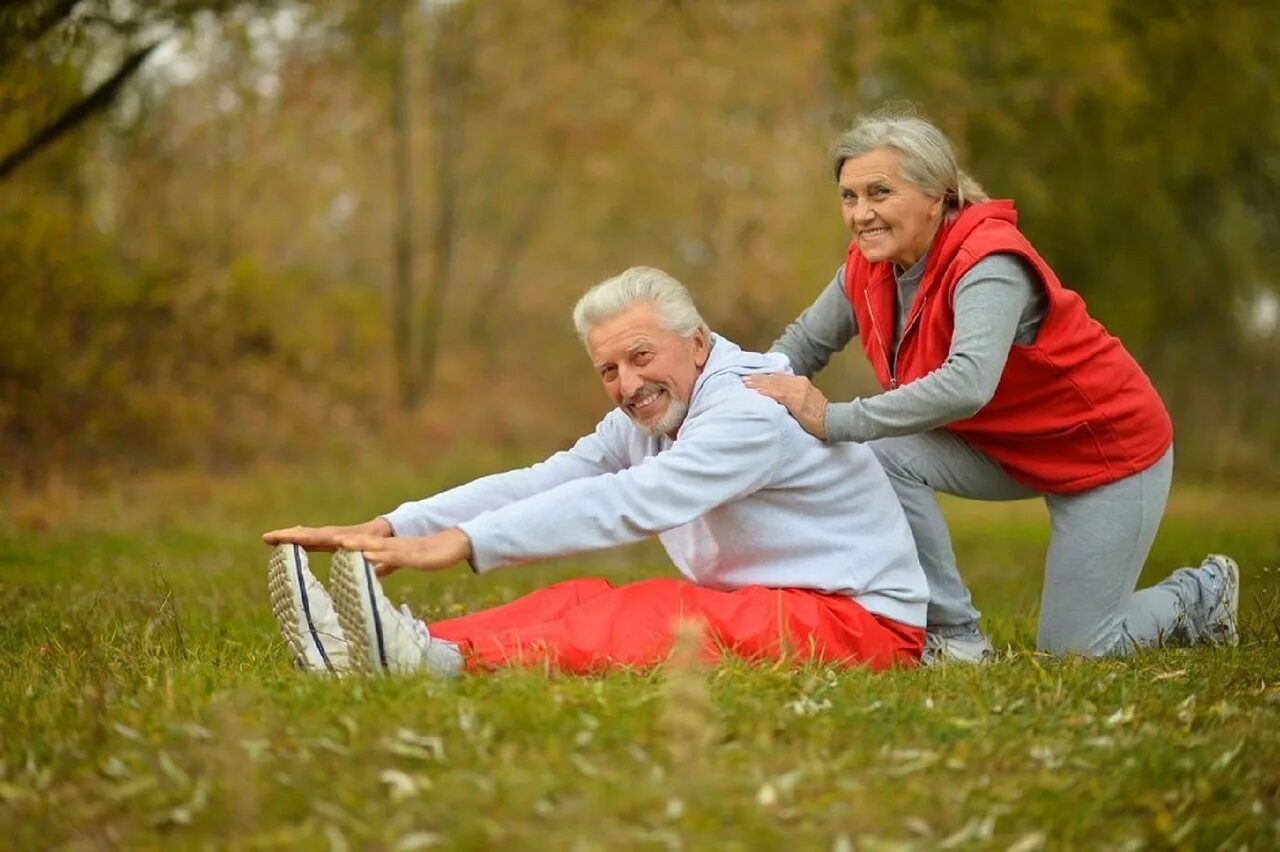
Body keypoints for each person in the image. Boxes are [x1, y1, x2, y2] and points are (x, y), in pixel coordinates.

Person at [263, 266, 929, 677]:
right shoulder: (653, 410)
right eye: (609, 369)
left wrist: (463, 545)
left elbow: (634, 501)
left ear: (696, 341)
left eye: (642, 356)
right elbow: (547, 480)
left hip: (859, 623)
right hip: (776, 603)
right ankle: (387, 646)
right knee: (577, 596)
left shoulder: (748, 408)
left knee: (657, 608)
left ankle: (440, 664)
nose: (628, 384)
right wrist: (396, 524)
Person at [745, 109, 1239, 663]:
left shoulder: (989, 261)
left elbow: (967, 384)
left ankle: (1200, 593)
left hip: (1106, 450)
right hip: (1002, 445)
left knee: (1077, 649)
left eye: (879, 192)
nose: (861, 214)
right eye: (848, 197)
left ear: (938, 195)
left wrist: (833, 419)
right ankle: (955, 636)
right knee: (880, 453)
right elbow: (802, 344)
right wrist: (731, 393)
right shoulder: (866, 265)